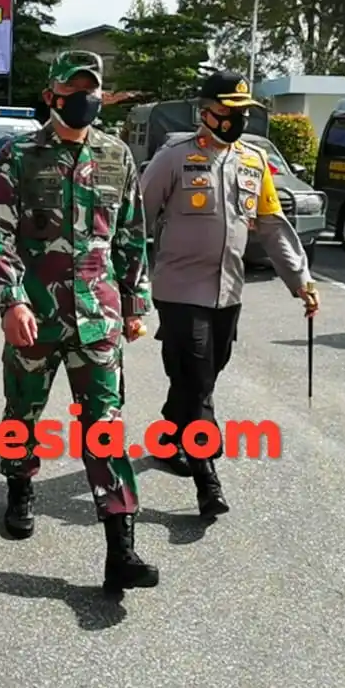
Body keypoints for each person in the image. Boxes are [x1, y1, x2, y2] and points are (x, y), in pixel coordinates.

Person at [0, 51, 157, 594]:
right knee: (23, 412)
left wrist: (134, 303)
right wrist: (12, 302)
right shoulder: (19, 155)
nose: (85, 98)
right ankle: (19, 484)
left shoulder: (115, 155)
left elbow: (130, 233)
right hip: (35, 315)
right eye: (74, 89)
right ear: (52, 96)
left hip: (97, 318)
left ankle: (120, 548)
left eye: (93, 89)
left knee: (104, 425)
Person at [140, 69, 319, 517]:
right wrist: (130, 283)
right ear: (206, 113)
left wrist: (301, 280)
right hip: (180, 290)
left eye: (244, 112)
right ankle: (207, 477)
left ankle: (169, 436)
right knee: (200, 384)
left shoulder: (253, 162)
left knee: (203, 375)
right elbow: (136, 217)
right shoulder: (175, 157)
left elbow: (273, 226)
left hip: (228, 292)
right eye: (228, 112)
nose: (237, 120)